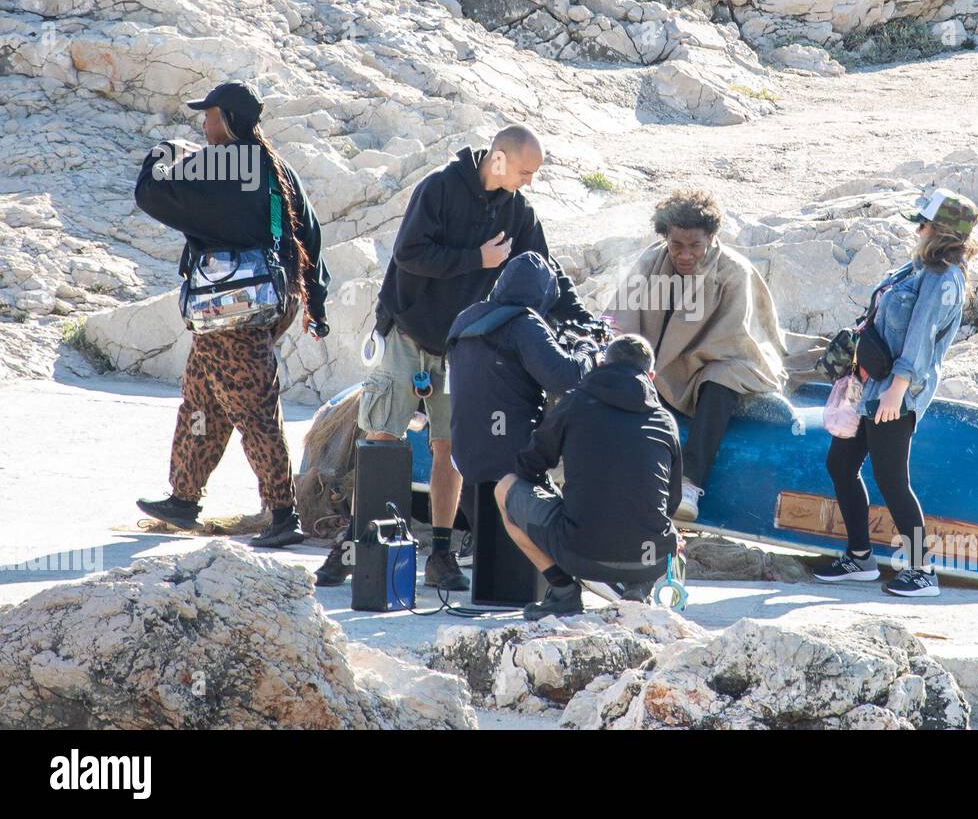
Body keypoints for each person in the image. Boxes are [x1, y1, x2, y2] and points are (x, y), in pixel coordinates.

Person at [323, 125, 598, 590]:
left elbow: (546, 275)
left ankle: (442, 554)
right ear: (498, 159)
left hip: (461, 347)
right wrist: (477, 259)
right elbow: (409, 254)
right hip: (409, 331)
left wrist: (588, 323)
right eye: (525, 171)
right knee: (383, 437)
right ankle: (360, 541)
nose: (529, 181)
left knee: (449, 449)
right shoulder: (440, 188)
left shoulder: (519, 212)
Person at [134, 81, 330, 548]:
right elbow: (311, 236)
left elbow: (151, 194)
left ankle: (284, 515)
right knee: (202, 400)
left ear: (228, 120)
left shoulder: (222, 166)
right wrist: (315, 305)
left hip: (232, 310)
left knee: (254, 409)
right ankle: (183, 499)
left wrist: (165, 151)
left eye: (209, 116)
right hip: (266, 302)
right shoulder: (275, 165)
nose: (203, 125)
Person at [813, 188, 978, 597]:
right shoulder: (917, 268)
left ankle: (923, 573)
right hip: (870, 386)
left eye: (923, 222)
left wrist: (897, 391)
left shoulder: (944, 279)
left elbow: (921, 339)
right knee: (840, 464)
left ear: (941, 230)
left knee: (892, 481)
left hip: (896, 393)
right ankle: (859, 558)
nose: (917, 228)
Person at [607, 189, 786, 522]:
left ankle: (690, 484)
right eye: (677, 246)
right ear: (665, 239)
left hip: (719, 360)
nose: (685, 255)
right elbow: (622, 318)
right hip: (660, 359)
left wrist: (681, 364)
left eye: (695, 246)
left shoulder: (733, 272)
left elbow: (735, 338)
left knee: (721, 382)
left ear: (711, 238)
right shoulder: (650, 262)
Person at [493, 334, 682, 620]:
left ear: (602, 364)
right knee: (664, 528)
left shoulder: (575, 403)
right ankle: (638, 587)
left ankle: (563, 592)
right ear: (651, 376)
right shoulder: (665, 420)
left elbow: (529, 463)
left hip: (579, 553)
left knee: (504, 488)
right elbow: (672, 500)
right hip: (651, 557)